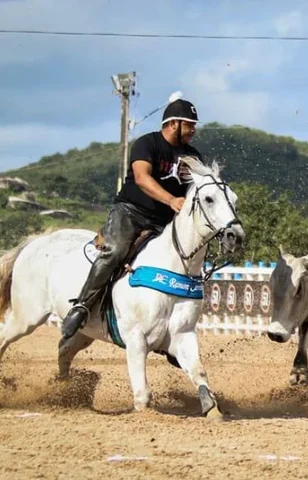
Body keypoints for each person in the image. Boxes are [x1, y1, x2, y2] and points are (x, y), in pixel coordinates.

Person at [59, 98, 202, 343]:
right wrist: (171, 200)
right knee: (115, 252)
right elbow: (141, 177)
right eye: (189, 125)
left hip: (165, 223)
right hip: (130, 213)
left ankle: (171, 334)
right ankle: (81, 307)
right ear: (174, 124)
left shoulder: (192, 156)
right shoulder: (147, 144)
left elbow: (201, 188)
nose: (193, 130)